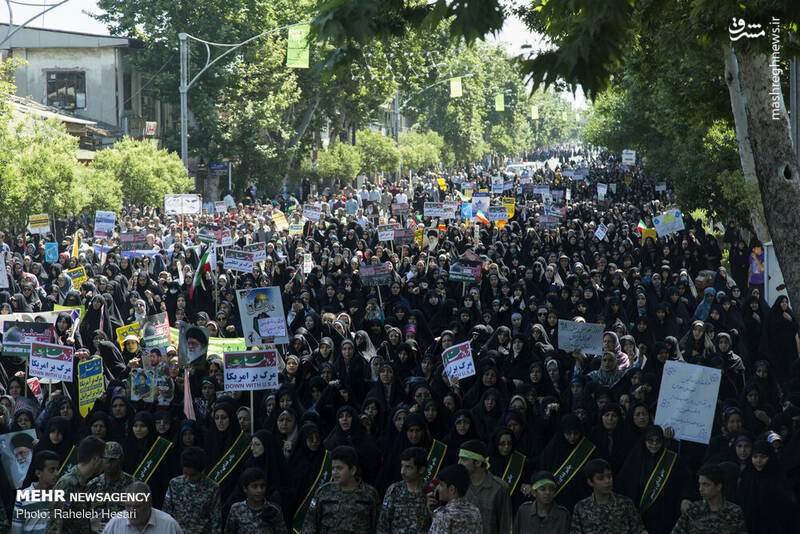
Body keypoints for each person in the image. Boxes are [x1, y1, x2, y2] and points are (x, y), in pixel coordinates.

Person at [301, 445, 380, 534]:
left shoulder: (369, 494)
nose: (335, 472)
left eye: (339, 468)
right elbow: (309, 526)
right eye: (333, 468)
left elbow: (378, 526)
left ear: (353, 470)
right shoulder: (323, 492)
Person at [45, 436, 107, 534]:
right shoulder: (67, 484)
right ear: (95, 459)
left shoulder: (83, 483)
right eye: (104, 458)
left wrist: (88, 524)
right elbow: (55, 524)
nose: (106, 463)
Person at [570, 458, 645, 534]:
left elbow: (640, 530)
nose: (607, 481)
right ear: (590, 482)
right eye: (600, 478)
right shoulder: (581, 508)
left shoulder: (625, 504)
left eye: (609, 476)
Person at [671, 463, 746, 534]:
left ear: (718, 486)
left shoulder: (734, 512)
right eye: (700, 484)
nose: (701, 489)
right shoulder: (692, 510)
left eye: (705, 485)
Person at [457, 439, 512, 534]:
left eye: (464, 459)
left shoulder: (499, 488)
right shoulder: (458, 485)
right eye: (459, 458)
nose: (459, 463)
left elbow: (505, 526)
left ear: (478, 463)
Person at [163, 446, 222, 534]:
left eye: (193, 475)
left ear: (202, 471)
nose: (188, 478)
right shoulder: (174, 484)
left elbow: (215, 519)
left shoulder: (212, 488)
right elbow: (166, 512)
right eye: (185, 474)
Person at [376, 446, 429, 534]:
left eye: (408, 467)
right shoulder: (394, 490)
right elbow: (383, 523)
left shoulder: (431, 492)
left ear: (421, 469)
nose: (402, 471)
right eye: (402, 466)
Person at [101, 480, 183, 534]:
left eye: (137, 506)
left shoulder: (169, 526)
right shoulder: (115, 524)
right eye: (128, 506)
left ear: (149, 503)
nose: (132, 511)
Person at [225, 467, 287, 534]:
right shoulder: (236, 509)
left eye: (262, 486)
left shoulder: (274, 510)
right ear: (245, 489)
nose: (259, 490)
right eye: (254, 486)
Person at [11, 450, 60, 534]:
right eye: (52, 470)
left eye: (57, 469)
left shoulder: (61, 494)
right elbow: (17, 529)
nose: (57, 473)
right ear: (38, 473)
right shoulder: (23, 496)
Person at [426, 464, 482, 534]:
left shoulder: (443, 515)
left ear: (452, 489)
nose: (438, 488)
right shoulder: (475, 511)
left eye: (441, 485)